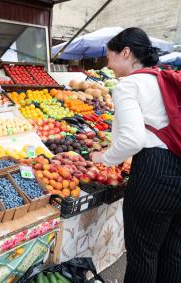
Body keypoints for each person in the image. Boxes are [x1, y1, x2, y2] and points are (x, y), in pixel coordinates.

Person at [91, 27, 181, 283]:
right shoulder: (163, 77)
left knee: (143, 255)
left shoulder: (128, 85)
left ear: (126, 52)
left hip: (156, 174)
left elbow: (132, 139)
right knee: (173, 252)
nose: (107, 64)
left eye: (110, 56)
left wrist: (103, 158)